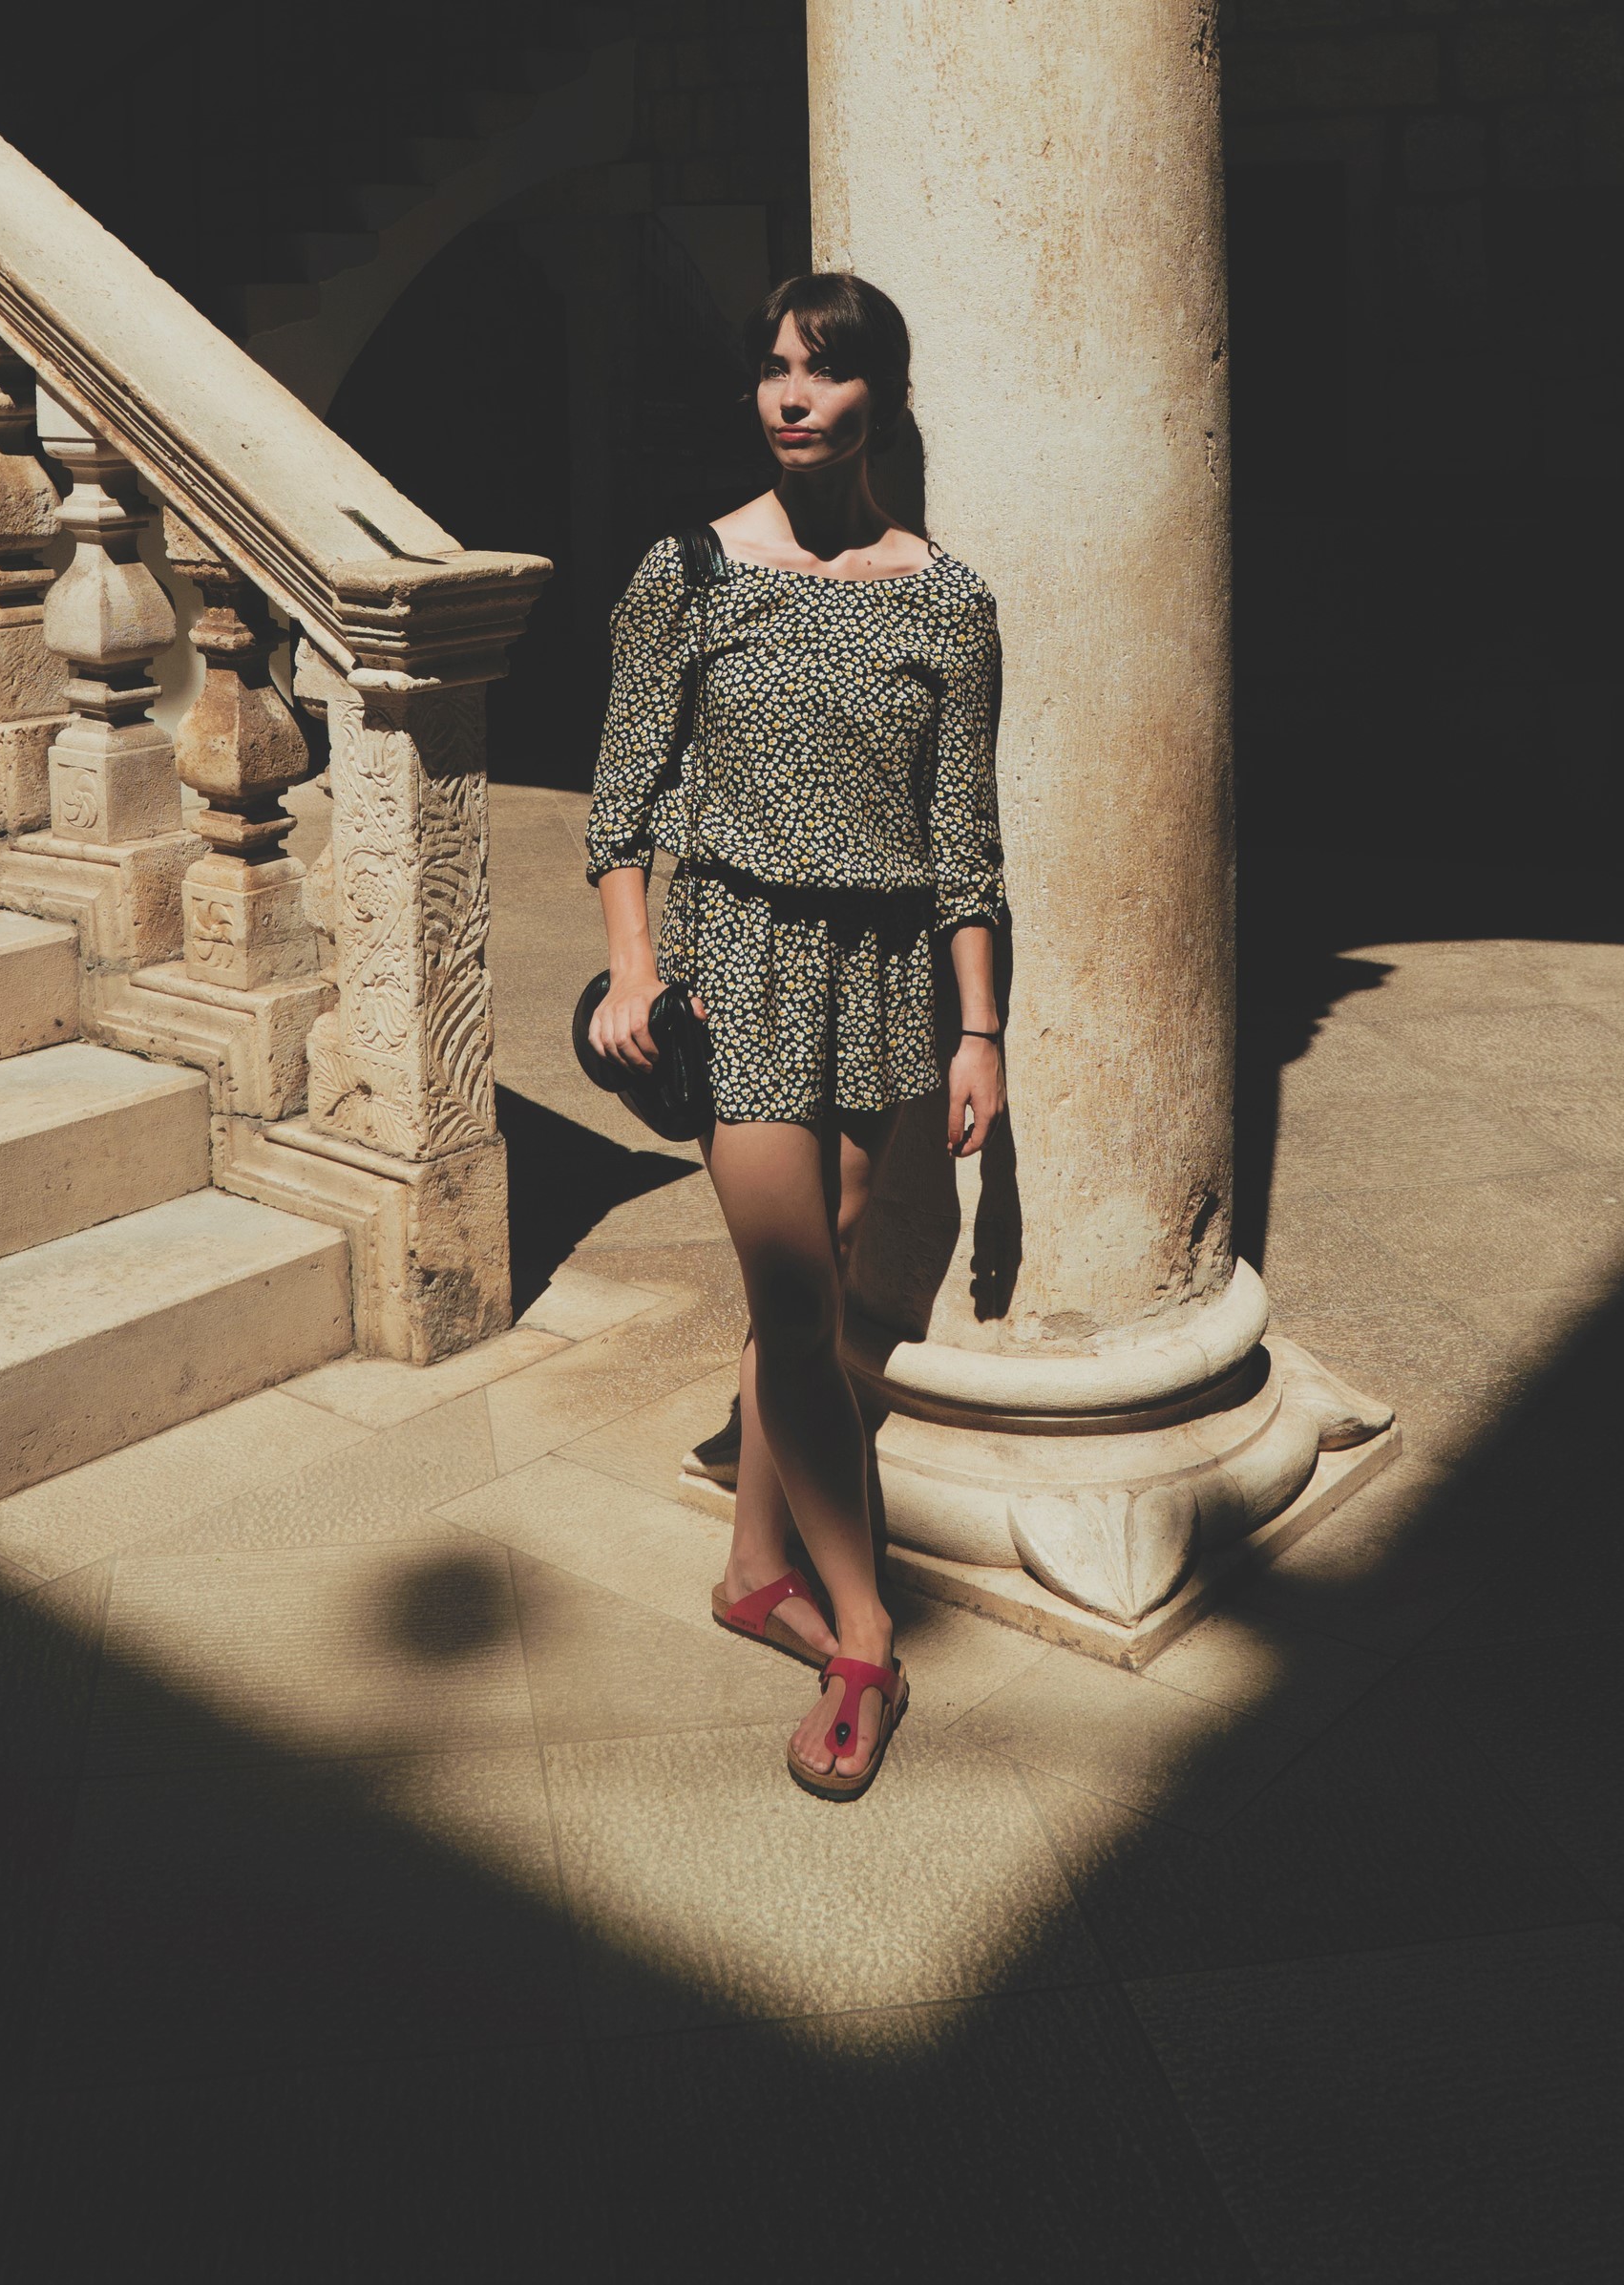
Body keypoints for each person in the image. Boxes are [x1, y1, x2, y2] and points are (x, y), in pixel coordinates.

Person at [585, 271, 1008, 1801]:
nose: (789, 394)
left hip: (884, 975)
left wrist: (978, 1031)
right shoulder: (689, 572)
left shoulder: (947, 601)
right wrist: (633, 971)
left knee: (817, 1279)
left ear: (880, 396)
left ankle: (754, 1565)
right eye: (772, 367)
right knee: (789, 1290)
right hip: (743, 966)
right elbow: (623, 795)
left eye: (822, 372)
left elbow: (963, 840)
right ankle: (864, 1637)